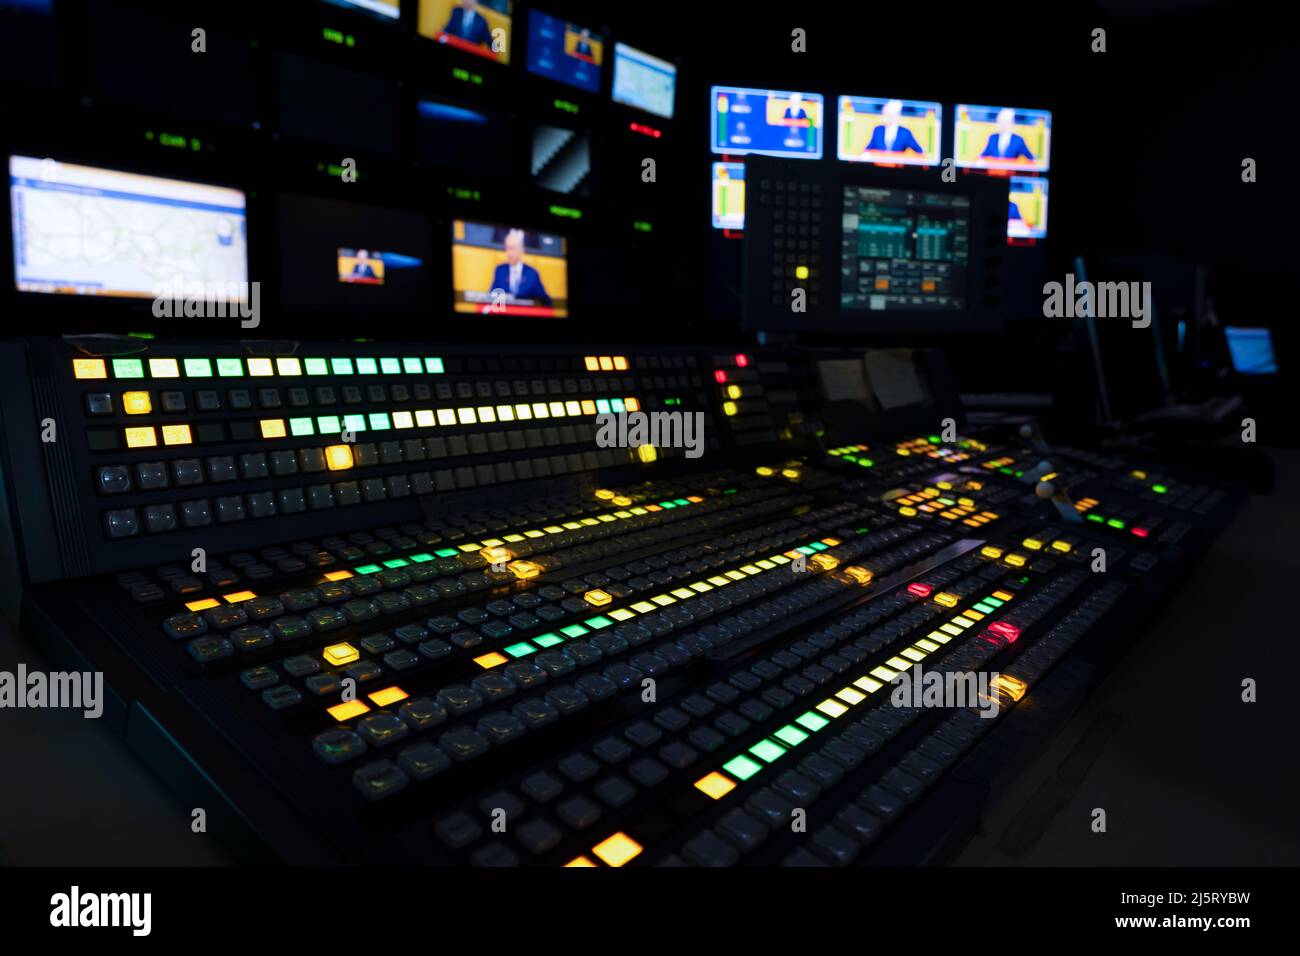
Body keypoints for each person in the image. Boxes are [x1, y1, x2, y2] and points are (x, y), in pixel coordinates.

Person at [489, 229, 551, 305]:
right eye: (507, 249)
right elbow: (491, 299)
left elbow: (545, 301)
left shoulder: (532, 273)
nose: (509, 253)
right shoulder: (500, 271)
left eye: (512, 249)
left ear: (521, 250)